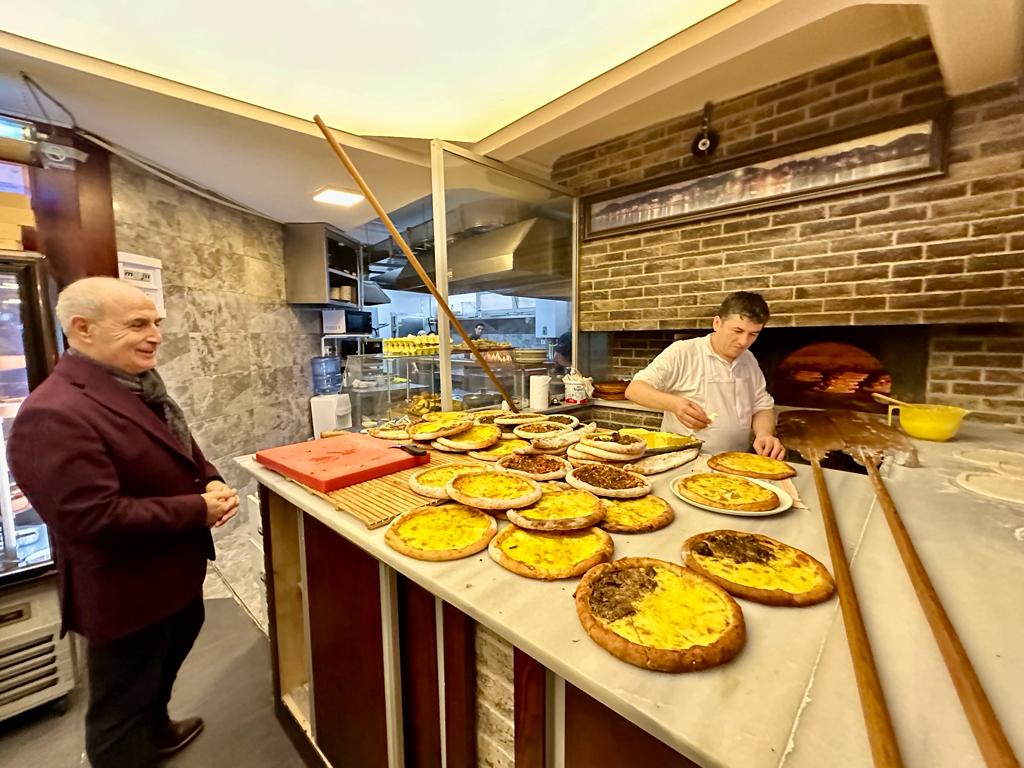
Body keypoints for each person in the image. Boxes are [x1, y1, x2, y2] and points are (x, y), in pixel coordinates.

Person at [8, 277, 239, 768]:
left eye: (155, 322)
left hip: (173, 574)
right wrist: (197, 509)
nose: (155, 334)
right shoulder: (53, 412)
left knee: (158, 675)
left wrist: (211, 480)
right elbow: (90, 517)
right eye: (137, 324)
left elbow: (180, 449)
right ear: (82, 329)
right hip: (127, 590)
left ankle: (155, 732)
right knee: (120, 707)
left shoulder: (139, 387)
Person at [624, 291, 785, 458]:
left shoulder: (749, 359)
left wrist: (764, 434)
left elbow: (761, 405)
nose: (744, 341)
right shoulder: (683, 351)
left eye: (753, 334)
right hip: (684, 459)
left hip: (737, 459)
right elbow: (634, 390)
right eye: (737, 330)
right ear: (717, 323)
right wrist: (675, 404)